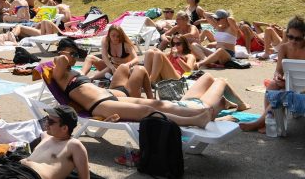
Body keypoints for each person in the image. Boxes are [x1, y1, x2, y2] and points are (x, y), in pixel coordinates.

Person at [47, 39, 236, 127]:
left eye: (73, 53)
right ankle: (194, 120)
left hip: (111, 97)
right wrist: (63, 56)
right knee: (147, 113)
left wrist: (70, 57)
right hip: (100, 106)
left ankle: (201, 113)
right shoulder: (60, 75)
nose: (72, 57)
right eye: (70, 53)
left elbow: (69, 61)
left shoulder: (72, 72)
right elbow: (61, 61)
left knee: (156, 104)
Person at [0, 106, 89, 179]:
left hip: (32, 175)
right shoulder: (45, 136)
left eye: (51, 121)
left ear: (64, 128)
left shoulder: (74, 145)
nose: (46, 123)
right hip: (13, 167)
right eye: (47, 119)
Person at [241, 15, 305, 132]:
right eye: (290, 37)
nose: (293, 41)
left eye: (298, 38)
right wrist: (277, 76)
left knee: (281, 94)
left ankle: (260, 122)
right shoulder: (284, 48)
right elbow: (278, 70)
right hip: (290, 84)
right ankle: (269, 120)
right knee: (272, 85)